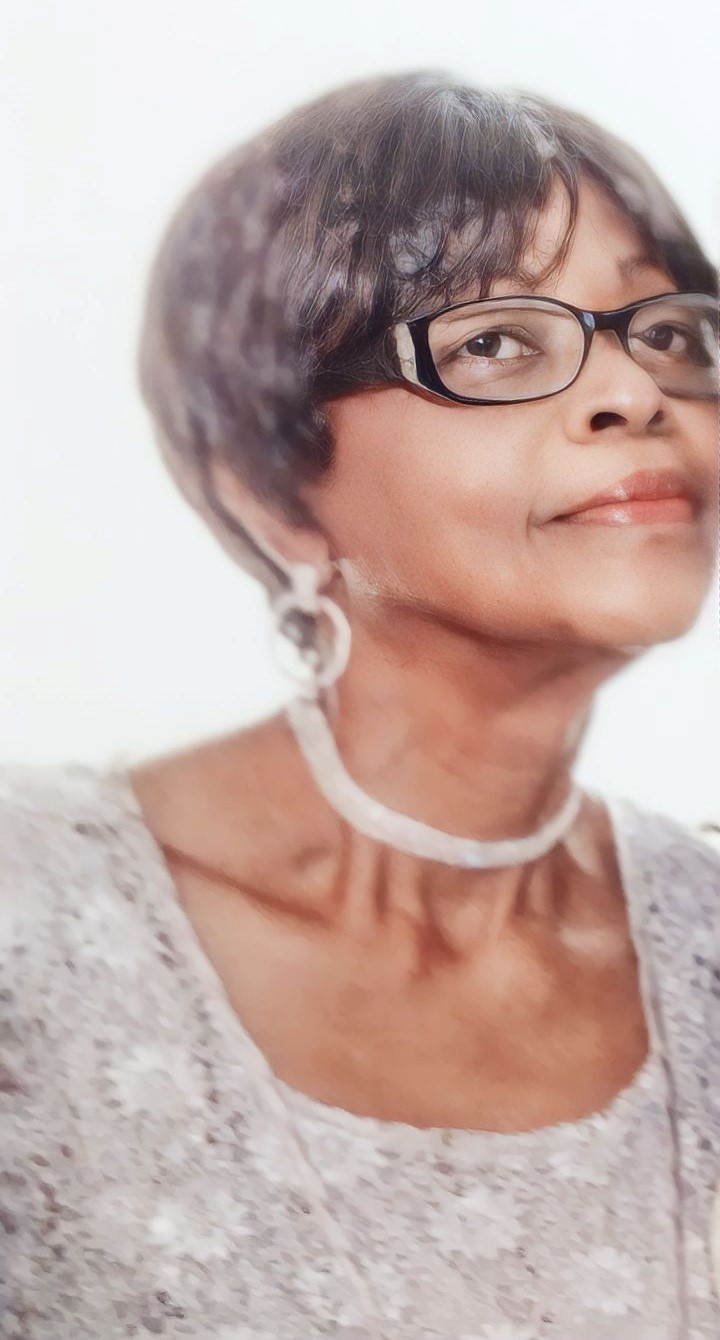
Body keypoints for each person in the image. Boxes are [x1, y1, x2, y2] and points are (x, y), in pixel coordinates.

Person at [1, 72, 719, 1340]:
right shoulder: (31, 912)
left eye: (666, 329)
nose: (635, 393)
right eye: (494, 339)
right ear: (268, 484)